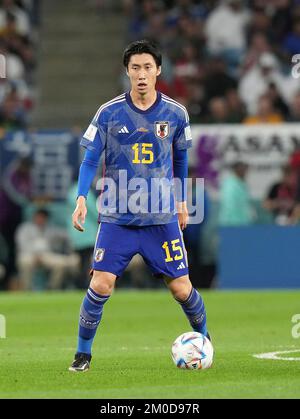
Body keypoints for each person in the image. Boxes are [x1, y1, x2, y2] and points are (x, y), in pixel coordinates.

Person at [69, 40, 210, 372]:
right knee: (101, 284)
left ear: (158, 70)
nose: (142, 74)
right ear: (127, 72)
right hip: (117, 218)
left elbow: (180, 157)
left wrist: (180, 202)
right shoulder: (109, 112)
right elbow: (91, 159)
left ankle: (203, 341)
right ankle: (82, 354)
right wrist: (80, 199)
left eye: (148, 67)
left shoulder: (176, 113)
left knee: (181, 289)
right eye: (136, 68)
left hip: (160, 218)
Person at [15, 208, 80, 290]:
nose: (41, 219)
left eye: (43, 217)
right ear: (34, 217)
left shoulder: (51, 229)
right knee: (24, 262)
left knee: (60, 264)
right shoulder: (25, 228)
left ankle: (52, 289)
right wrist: (36, 255)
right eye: (39, 217)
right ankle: (27, 289)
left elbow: (66, 236)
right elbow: (21, 245)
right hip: (29, 255)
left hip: (46, 255)